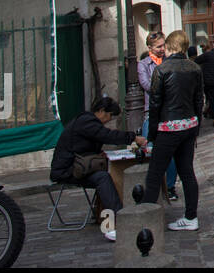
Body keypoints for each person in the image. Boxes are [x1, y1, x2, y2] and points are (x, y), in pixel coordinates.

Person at [49, 95, 147, 242]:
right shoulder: (87, 122)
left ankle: (107, 219)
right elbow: (107, 136)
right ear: (101, 111)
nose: (108, 120)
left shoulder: (87, 121)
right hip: (66, 170)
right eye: (109, 116)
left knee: (103, 175)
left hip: (75, 167)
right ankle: (118, 222)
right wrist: (133, 138)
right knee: (103, 178)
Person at [142, 29, 204, 231]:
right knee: (187, 172)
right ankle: (191, 216)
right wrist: (196, 126)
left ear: (169, 47)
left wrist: (152, 135)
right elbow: (198, 100)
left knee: (154, 174)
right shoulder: (194, 68)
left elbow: (155, 104)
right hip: (188, 125)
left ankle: (147, 222)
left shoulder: (162, 70)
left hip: (168, 127)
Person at [138, 31, 178, 199]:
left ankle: (170, 186)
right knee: (151, 149)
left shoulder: (170, 61)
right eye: (158, 46)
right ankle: (153, 186)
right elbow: (147, 85)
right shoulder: (144, 65)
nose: (162, 49)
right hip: (152, 112)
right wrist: (165, 86)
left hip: (169, 111)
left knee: (171, 152)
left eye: (163, 46)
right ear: (149, 48)